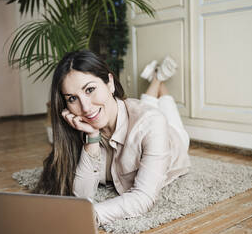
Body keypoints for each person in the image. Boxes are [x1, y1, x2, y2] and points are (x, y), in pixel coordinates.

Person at [34, 50, 191, 224]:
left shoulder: (153, 123)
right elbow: (82, 197)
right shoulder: (80, 125)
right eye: (72, 98)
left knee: (158, 108)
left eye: (90, 89)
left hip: (175, 139)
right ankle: (157, 77)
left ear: (109, 83)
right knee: (144, 104)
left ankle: (158, 78)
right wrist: (92, 138)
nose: (85, 108)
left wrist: (87, 216)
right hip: (129, 113)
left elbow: (143, 197)